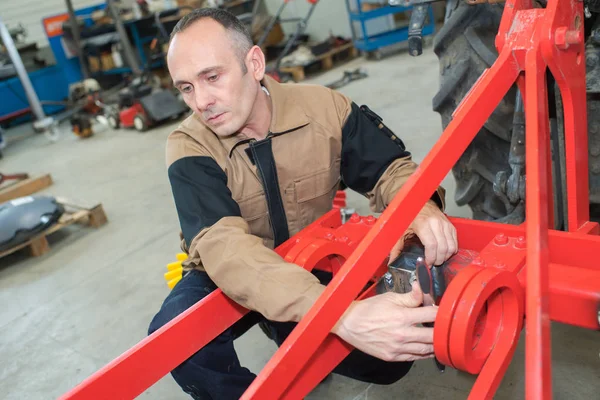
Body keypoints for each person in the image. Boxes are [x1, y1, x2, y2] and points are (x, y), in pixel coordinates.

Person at [148, 8, 458, 400]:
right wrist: (340, 316)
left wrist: (421, 207)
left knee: (387, 361)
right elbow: (223, 247)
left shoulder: (325, 110)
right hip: (229, 269)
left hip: (312, 256)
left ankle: (288, 326)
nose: (202, 101)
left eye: (212, 77)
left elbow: (390, 170)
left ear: (254, 64)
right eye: (186, 88)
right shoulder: (189, 145)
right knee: (174, 337)